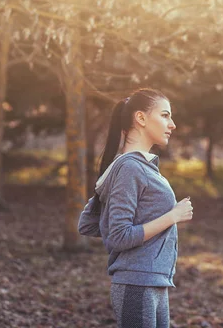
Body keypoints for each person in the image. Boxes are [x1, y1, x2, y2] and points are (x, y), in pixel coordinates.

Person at [78, 88, 193, 328]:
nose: (172, 124)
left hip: (154, 281)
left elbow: (90, 223)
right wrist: (172, 216)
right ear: (140, 118)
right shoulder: (129, 168)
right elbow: (118, 236)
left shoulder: (138, 166)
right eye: (164, 115)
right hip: (136, 282)